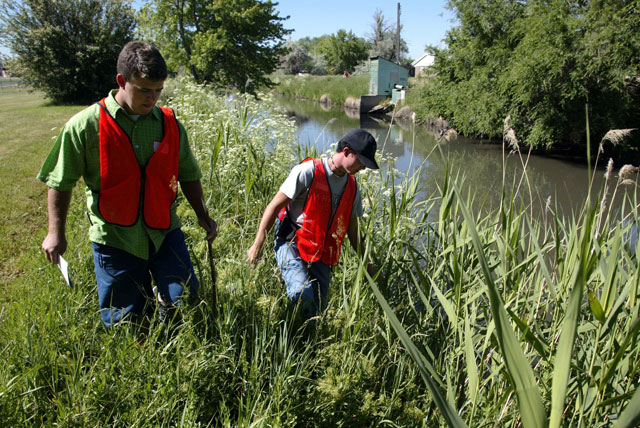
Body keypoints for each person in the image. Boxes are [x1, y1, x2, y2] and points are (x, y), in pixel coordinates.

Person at [38, 41, 217, 327]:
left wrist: (202, 214)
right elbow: (60, 182)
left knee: (186, 303)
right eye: (145, 90)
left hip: (164, 231)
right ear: (122, 81)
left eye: (158, 90)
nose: (153, 98)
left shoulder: (169, 124)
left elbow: (188, 173)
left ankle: (166, 314)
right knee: (125, 322)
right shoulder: (85, 126)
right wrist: (55, 232)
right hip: (115, 238)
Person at [247, 129, 379, 320]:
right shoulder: (308, 172)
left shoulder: (352, 187)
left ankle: (306, 342)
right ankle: (286, 337)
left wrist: (366, 265)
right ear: (347, 151)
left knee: (318, 311)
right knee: (304, 298)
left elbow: (353, 230)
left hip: (322, 253)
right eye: (361, 161)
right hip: (291, 242)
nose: (363, 168)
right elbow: (274, 207)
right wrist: (258, 244)